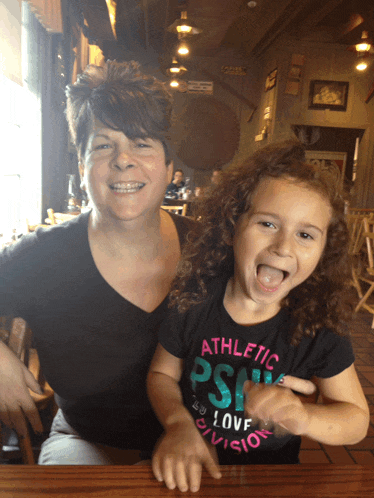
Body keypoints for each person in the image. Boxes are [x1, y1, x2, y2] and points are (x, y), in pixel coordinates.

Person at [0, 60, 197, 464]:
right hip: (86, 441)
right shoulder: (45, 256)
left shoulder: (208, 249)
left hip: (198, 441)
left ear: (169, 167)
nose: (123, 159)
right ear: (82, 167)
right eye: (103, 145)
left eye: (142, 143)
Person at [147, 140, 369, 492]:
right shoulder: (194, 301)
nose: (283, 247)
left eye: (305, 235)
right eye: (267, 224)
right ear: (233, 227)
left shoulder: (316, 327)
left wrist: (305, 417)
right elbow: (161, 373)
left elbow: (356, 420)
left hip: (272, 481)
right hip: (190, 468)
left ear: (325, 251)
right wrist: (178, 424)